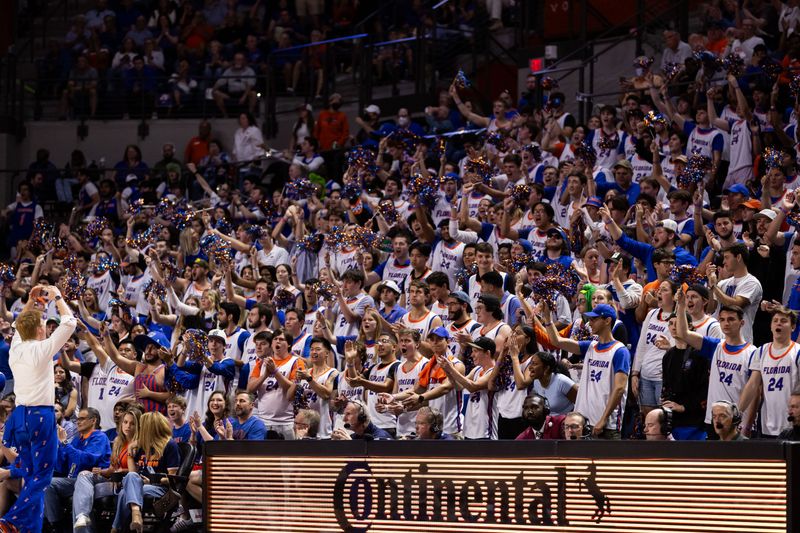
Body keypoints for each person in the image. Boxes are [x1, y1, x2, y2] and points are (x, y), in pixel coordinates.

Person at [0, 285, 76, 533]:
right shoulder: (42, 350)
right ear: (40, 329)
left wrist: (32, 302)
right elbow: (70, 323)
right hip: (39, 417)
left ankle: (29, 529)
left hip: (19, 417)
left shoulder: (16, 348)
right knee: (42, 477)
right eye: (43, 324)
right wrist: (57, 297)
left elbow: (19, 326)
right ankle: (10, 520)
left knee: (30, 474)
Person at [541, 302, 631, 439]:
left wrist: (603, 419)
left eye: (594, 319)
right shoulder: (590, 346)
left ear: (607, 321)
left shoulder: (620, 351)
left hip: (606, 425)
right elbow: (556, 341)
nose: (590, 323)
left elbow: (619, 388)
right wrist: (547, 318)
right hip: (584, 421)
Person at [113, 412, 180, 532]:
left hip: (160, 488)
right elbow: (132, 474)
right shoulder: (142, 446)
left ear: (150, 427)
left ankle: (116, 528)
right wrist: (129, 452)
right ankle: (136, 515)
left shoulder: (169, 445)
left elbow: (173, 479)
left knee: (125, 493)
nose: (140, 429)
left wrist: (153, 481)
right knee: (129, 482)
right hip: (141, 485)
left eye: (142, 426)